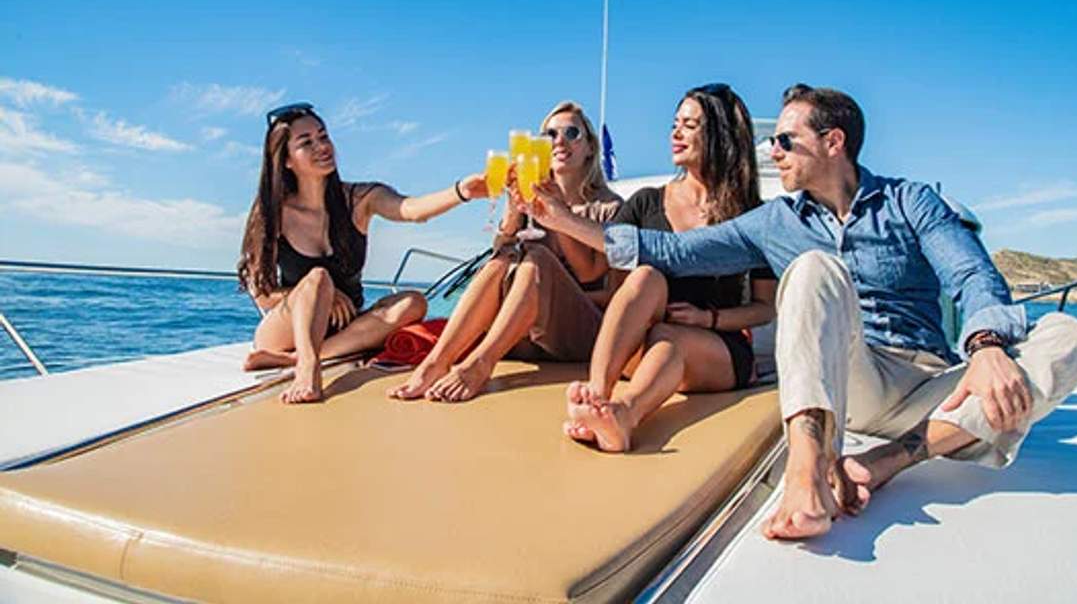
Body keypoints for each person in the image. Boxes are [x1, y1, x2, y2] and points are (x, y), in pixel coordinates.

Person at [535, 83, 1077, 541]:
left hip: (938, 384)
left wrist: (986, 349)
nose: (773, 152)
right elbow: (671, 251)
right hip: (851, 382)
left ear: (833, 142)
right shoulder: (777, 221)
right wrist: (560, 220)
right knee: (811, 269)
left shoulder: (911, 201)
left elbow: (971, 273)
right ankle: (806, 476)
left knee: (1070, 335)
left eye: (784, 140)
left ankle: (886, 462)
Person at [549, 84, 776, 451]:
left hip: (715, 347)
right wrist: (556, 215)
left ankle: (623, 414)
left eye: (689, 124)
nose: (675, 132)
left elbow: (766, 309)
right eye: (675, 123)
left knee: (672, 342)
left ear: (719, 134)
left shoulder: (750, 216)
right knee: (646, 276)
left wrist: (708, 320)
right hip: (641, 345)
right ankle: (596, 396)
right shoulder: (645, 203)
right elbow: (602, 277)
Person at [236, 102, 489, 404]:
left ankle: (289, 360)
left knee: (413, 302)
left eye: (323, 136)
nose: (322, 146)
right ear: (286, 160)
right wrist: (320, 294)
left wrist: (462, 191)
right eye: (306, 143)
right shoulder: (272, 211)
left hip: (344, 326)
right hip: (284, 330)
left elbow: (411, 210)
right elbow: (262, 294)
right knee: (318, 278)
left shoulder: (360, 199)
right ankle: (306, 365)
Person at [388, 101, 622, 403]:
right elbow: (501, 252)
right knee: (503, 260)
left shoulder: (610, 207)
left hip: (579, 336)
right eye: (549, 135)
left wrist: (559, 224)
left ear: (590, 147)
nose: (559, 141)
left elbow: (609, 289)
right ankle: (436, 362)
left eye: (571, 132)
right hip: (522, 335)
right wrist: (514, 209)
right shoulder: (532, 200)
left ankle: (480, 364)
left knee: (537, 260)